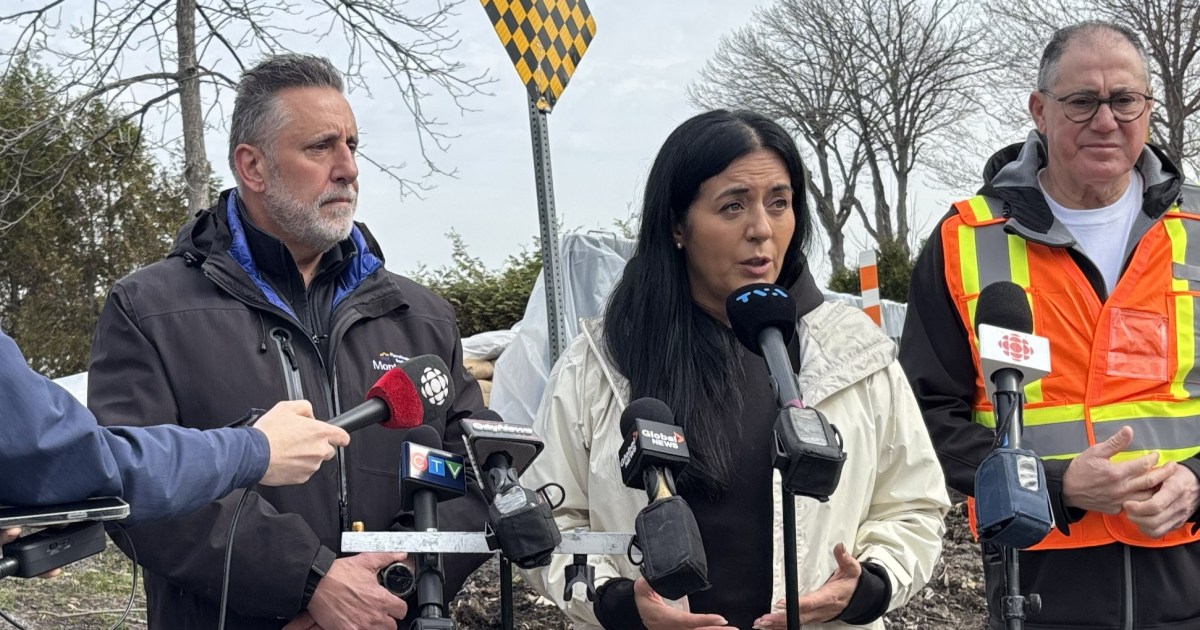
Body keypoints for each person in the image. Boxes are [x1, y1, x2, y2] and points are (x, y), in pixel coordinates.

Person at [86, 54, 488, 630]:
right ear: (252, 166)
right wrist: (309, 582)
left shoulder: (421, 317)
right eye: (321, 147)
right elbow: (136, 488)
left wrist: (394, 583)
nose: (348, 167)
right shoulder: (149, 310)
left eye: (352, 144)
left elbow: (478, 474)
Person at [519, 109, 950, 630]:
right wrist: (617, 602)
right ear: (678, 225)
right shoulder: (602, 361)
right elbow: (549, 518)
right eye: (732, 206)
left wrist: (868, 586)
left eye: (779, 203)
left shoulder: (856, 352)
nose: (762, 230)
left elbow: (913, 506)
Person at [900, 21, 1200, 629]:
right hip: (1035, 583)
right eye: (1081, 101)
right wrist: (1055, 485)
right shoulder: (966, 239)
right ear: (1040, 110)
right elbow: (923, 415)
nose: (1106, 120)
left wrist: (1197, 483)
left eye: (1124, 100)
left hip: (1189, 570)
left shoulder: (1197, 229)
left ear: (1146, 107)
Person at [0, 327, 348, 526]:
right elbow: (82, 461)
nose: (349, 192)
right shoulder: (144, 303)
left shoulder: (401, 302)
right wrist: (256, 449)